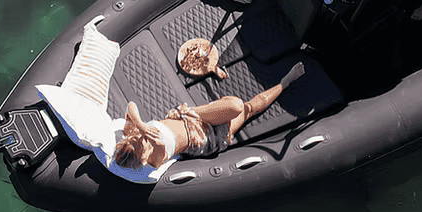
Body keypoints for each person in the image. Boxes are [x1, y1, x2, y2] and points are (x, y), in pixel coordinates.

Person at [112, 62, 305, 169]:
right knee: (246, 109)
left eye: (136, 138)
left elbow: (131, 106)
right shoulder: (155, 156)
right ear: (144, 157)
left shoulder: (135, 134)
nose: (142, 137)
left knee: (234, 105)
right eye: (142, 144)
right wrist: (144, 134)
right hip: (206, 139)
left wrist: (140, 125)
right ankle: (285, 82)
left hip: (191, 117)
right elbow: (157, 144)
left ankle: (218, 103)